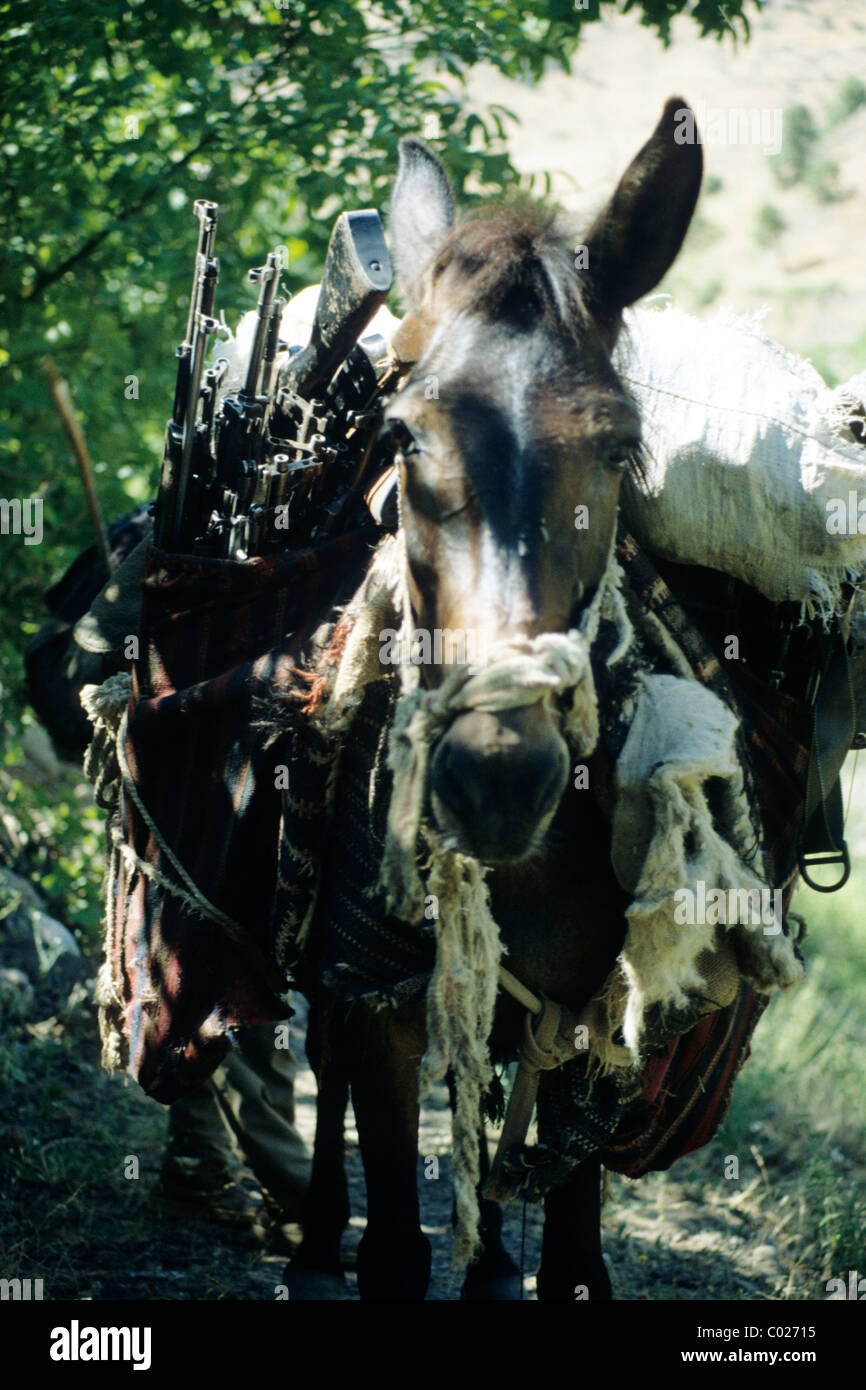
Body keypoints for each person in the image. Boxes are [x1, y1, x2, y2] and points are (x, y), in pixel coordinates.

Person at [26, 504, 311, 1250]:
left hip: (241, 797)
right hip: (175, 804)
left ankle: (201, 1170)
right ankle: (287, 1192)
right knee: (210, 979)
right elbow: (84, 666)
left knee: (228, 979)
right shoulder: (165, 539)